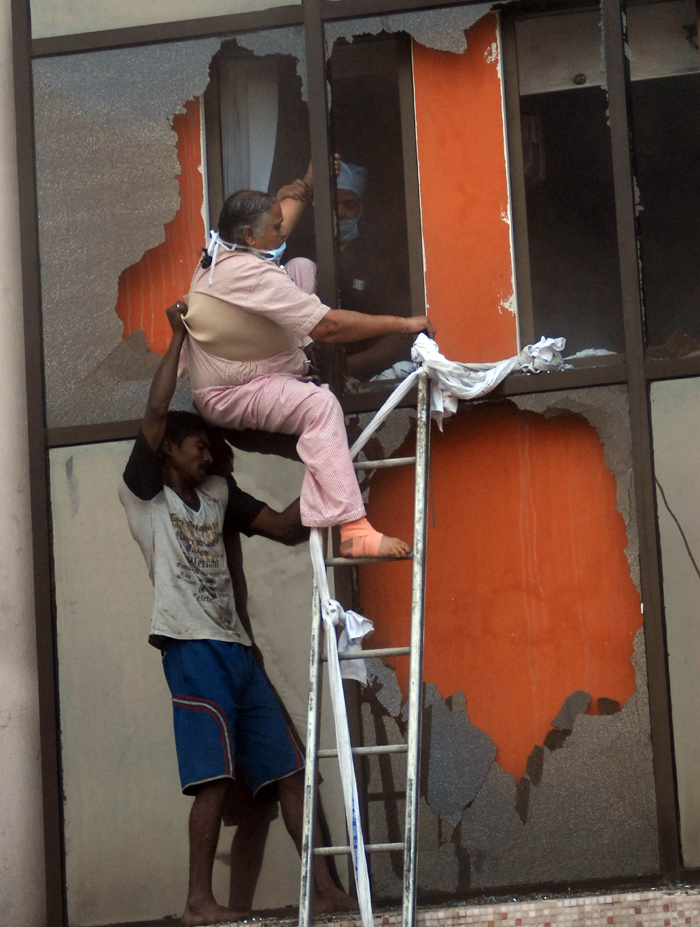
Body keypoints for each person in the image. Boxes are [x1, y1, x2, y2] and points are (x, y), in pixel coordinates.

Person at [118, 302, 357, 927]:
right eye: (200, 443)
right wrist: (176, 337)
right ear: (169, 447)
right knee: (213, 782)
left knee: (289, 768)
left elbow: (281, 527)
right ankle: (199, 902)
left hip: (236, 649)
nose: (210, 454)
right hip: (190, 647)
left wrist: (330, 471)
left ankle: (324, 889)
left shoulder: (219, 495)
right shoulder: (145, 491)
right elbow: (152, 412)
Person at [179, 190, 435, 559]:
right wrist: (403, 323)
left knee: (300, 266)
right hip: (232, 391)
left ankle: (306, 368)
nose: (283, 232)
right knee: (320, 407)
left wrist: (306, 181)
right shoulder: (248, 274)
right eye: (276, 227)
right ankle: (353, 529)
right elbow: (329, 327)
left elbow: (285, 214)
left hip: (251, 367)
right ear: (250, 237)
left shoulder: (221, 250)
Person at [282, 160, 417, 380]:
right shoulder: (303, 248)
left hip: (368, 376)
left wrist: (346, 368)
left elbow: (399, 333)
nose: (341, 212)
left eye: (350, 204)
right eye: (334, 203)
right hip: (305, 373)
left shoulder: (379, 258)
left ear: (362, 207)